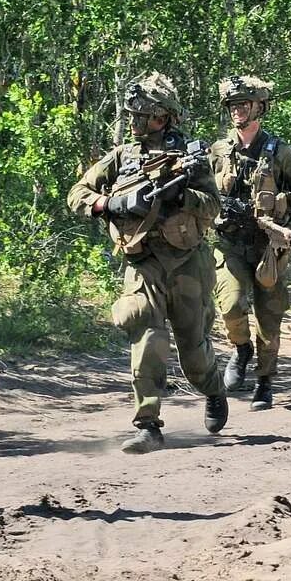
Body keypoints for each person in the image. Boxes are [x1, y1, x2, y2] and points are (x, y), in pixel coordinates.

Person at [67, 73, 229, 454]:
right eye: (133, 116)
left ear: (163, 117)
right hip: (143, 262)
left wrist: (180, 197)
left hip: (188, 262)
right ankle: (148, 423)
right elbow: (77, 193)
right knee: (147, 335)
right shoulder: (123, 156)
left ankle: (214, 389)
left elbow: (213, 206)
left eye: (144, 116)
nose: (136, 123)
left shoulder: (191, 156)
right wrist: (110, 204)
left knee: (193, 349)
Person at [211, 75, 291, 409]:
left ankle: (265, 382)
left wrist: (289, 233)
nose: (238, 111)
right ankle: (241, 350)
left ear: (259, 107)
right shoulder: (219, 151)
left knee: (269, 319)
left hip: (269, 247)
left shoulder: (281, 153)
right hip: (229, 243)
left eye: (244, 104)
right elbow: (202, 196)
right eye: (233, 105)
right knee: (230, 306)